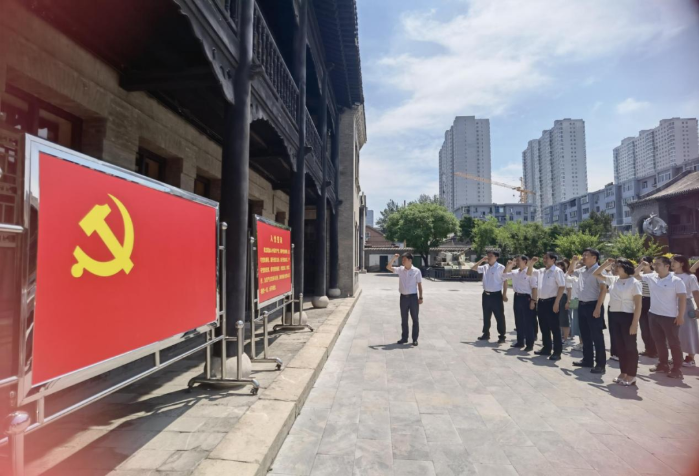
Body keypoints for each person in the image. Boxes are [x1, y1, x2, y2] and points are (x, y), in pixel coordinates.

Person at [593, 258, 642, 386]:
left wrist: (634, 323)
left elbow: (638, 305)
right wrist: (606, 263)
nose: (615, 268)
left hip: (628, 316)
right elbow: (596, 274)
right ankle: (623, 372)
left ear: (626, 268)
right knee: (619, 346)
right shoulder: (613, 279)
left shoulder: (634, 283)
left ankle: (631, 375)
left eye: (618, 266)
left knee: (630, 347)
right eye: (615, 266)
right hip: (614, 315)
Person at [636, 256, 687, 379]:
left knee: (674, 343)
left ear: (667, 266)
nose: (655, 266)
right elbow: (634, 275)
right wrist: (641, 265)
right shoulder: (651, 277)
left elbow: (682, 298)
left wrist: (680, 316)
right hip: (653, 315)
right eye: (654, 264)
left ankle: (677, 369)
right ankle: (662, 364)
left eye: (658, 264)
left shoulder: (676, 280)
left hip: (670, 317)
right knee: (659, 342)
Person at [569, 249, 608, 374]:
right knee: (585, 335)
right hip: (582, 305)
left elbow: (603, 290)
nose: (583, 257)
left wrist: (598, 308)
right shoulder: (582, 270)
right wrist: (573, 262)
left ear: (594, 258)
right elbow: (570, 272)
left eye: (586, 255)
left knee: (597, 336)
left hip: (593, 305)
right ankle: (587, 360)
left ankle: (600, 364)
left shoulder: (599, 271)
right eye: (583, 255)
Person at [529, 253, 566, 360]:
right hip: (541, 302)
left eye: (547, 258)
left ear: (553, 260)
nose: (544, 260)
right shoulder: (541, 271)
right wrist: (531, 263)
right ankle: (546, 348)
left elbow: (561, 286)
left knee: (554, 328)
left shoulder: (557, 271)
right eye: (544, 258)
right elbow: (528, 272)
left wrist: (557, 302)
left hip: (552, 301)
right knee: (544, 326)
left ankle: (557, 352)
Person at [386, 252, 423, 346]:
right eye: (402, 259)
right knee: (404, 319)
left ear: (410, 260)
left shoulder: (417, 271)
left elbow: (419, 285)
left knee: (415, 319)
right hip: (403, 298)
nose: (402, 261)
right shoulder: (400, 270)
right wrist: (394, 258)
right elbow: (388, 267)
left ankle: (415, 339)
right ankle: (404, 338)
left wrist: (421, 297)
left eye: (404, 259)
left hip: (413, 298)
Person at [472, 251, 508, 343]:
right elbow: (474, 268)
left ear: (496, 257)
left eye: (491, 256)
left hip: (496, 295)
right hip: (486, 295)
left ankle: (502, 336)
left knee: (499, 316)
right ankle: (486, 333)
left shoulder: (501, 267)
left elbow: (505, 281)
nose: (488, 257)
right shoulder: (485, 267)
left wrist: (504, 294)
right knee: (486, 315)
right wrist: (481, 260)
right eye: (488, 255)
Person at [504, 256, 538, 351]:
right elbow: (504, 276)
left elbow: (534, 287)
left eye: (519, 260)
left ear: (525, 261)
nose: (517, 262)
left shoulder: (531, 271)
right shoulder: (515, 272)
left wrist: (533, 301)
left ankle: (529, 344)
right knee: (518, 320)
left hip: (527, 298)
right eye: (516, 260)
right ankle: (520, 342)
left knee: (528, 322)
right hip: (517, 297)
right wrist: (509, 266)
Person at [670, 255, 699, 368]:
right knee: (675, 333)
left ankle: (691, 358)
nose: (672, 264)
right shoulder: (670, 275)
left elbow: (696, 293)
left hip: (686, 304)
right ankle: (677, 356)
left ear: (682, 263)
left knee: (688, 331)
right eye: (671, 261)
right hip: (672, 305)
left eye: (674, 261)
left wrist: (698, 309)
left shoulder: (690, 277)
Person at [638, 256, 658, 359]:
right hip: (641, 301)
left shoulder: (655, 275)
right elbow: (632, 275)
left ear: (650, 263)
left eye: (645, 262)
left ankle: (655, 351)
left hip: (652, 301)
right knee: (644, 328)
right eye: (640, 262)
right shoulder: (639, 274)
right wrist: (640, 266)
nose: (642, 264)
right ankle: (648, 349)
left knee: (652, 328)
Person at [566, 261, 583, 352]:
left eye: (578, 267)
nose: (576, 269)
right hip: (574, 300)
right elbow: (567, 276)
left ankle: (584, 343)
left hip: (582, 300)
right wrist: (573, 262)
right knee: (576, 321)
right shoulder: (574, 278)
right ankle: (581, 342)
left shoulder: (585, 278)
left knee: (582, 322)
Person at [556, 260, 570, 345]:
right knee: (556, 319)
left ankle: (565, 338)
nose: (557, 267)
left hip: (563, 298)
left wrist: (568, 302)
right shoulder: (554, 275)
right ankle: (558, 337)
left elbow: (569, 290)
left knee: (564, 319)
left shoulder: (565, 276)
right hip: (555, 297)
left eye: (559, 265)